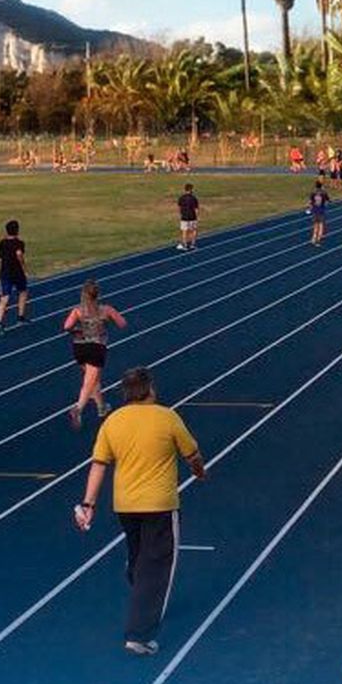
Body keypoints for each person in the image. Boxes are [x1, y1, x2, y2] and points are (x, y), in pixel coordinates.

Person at [75, 368, 207, 655]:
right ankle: (139, 634)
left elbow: (99, 463)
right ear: (151, 390)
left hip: (125, 505)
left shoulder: (113, 421)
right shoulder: (167, 417)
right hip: (160, 504)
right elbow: (192, 454)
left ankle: (136, 572)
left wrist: (88, 504)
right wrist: (198, 471)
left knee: (139, 557)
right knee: (157, 568)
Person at [63, 279, 128, 429]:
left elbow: (66, 326)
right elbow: (123, 323)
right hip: (96, 347)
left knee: (94, 379)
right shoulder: (106, 309)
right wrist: (106, 322)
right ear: (97, 294)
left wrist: (77, 330)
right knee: (88, 382)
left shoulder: (77, 310)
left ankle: (101, 407)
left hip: (79, 347)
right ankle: (78, 408)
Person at [0, 220, 30, 330]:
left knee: (4, 297)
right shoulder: (19, 243)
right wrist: (24, 269)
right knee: (23, 292)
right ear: (17, 230)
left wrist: (1, 272)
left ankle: (0, 322)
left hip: (5, 273)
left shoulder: (2, 243)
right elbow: (19, 255)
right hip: (17, 272)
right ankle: (21, 317)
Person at [176, 183, 200, 251]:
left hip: (184, 217)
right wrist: (197, 217)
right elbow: (196, 209)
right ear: (191, 189)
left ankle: (185, 245)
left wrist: (181, 214)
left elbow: (179, 207)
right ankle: (192, 245)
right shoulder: (194, 198)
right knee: (194, 230)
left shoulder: (181, 198)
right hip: (193, 216)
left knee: (184, 231)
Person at [308, 180, 332, 246]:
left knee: (315, 225)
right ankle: (318, 240)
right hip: (321, 210)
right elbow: (328, 200)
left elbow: (310, 202)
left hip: (315, 210)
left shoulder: (313, 192)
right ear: (321, 185)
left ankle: (313, 238)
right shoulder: (323, 192)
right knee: (321, 225)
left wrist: (310, 209)